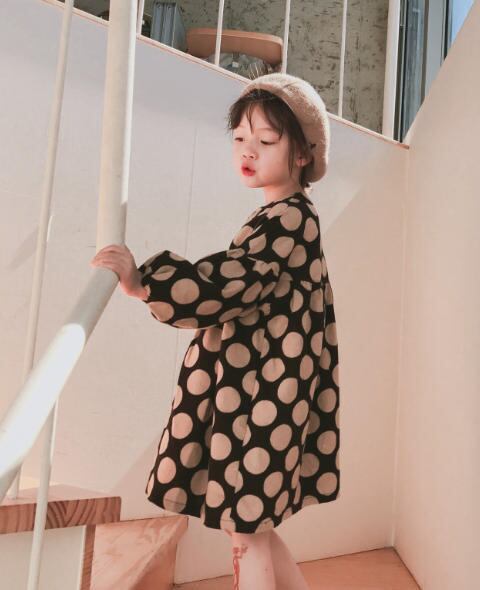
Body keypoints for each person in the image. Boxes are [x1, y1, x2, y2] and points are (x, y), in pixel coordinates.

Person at [90, 73, 340, 590]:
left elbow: (229, 282)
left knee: (245, 527)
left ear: (301, 154)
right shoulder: (285, 215)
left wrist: (144, 283)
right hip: (262, 392)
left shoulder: (288, 219)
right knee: (251, 522)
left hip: (264, 395)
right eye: (240, 138)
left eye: (266, 141)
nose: (248, 150)